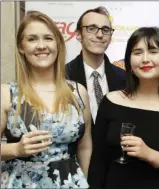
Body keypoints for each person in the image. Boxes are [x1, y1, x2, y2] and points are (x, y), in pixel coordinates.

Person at [87, 27, 159, 188]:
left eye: (153, 51)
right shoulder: (112, 101)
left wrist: (150, 154)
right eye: (137, 52)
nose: (145, 59)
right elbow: (98, 162)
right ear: (129, 60)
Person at [0, 11, 92, 188]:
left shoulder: (78, 92)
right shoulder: (6, 94)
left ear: (58, 44)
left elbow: (85, 146)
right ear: (21, 46)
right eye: (32, 39)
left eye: (48, 38)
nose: (41, 46)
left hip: (70, 183)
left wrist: (86, 180)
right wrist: (16, 149)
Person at [65, 6, 125, 124]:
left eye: (105, 30)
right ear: (78, 34)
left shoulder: (124, 78)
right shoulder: (63, 75)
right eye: (92, 28)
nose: (100, 35)